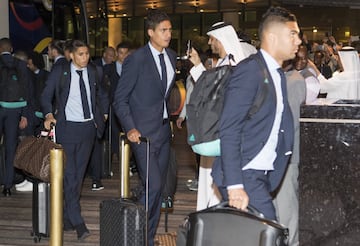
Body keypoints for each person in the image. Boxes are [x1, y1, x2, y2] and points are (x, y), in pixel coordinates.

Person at [211, 6, 301, 220]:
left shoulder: (277, 74)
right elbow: (230, 128)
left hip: (260, 175)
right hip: (244, 173)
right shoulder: (250, 71)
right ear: (272, 37)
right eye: (293, 34)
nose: (298, 41)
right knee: (268, 234)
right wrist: (235, 185)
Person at [113, 10, 177, 246]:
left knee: (156, 191)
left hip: (163, 131)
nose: (169, 34)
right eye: (164, 30)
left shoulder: (171, 56)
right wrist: (130, 128)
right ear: (150, 32)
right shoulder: (136, 59)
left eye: (170, 30)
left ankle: (146, 237)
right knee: (154, 185)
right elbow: (120, 99)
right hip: (142, 135)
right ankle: (137, 237)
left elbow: (164, 94)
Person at [182, 22, 257, 211]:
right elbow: (211, 91)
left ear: (221, 39)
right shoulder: (224, 62)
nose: (209, 42)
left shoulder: (235, 64)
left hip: (224, 131)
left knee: (223, 178)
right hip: (214, 130)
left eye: (212, 39)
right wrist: (198, 65)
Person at [41, 39, 109, 240]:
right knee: (70, 175)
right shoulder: (60, 72)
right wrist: (48, 115)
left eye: (87, 54)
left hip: (88, 128)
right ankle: (78, 221)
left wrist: (103, 114)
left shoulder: (93, 71)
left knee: (77, 177)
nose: (85, 57)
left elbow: (103, 94)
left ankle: (65, 217)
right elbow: (45, 96)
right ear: (71, 55)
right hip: (67, 129)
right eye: (81, 54)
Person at [273, 60, 306, 246]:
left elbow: (289, 122)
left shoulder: (294, 80)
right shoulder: (281, 77)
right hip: (278, 155)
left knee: (286, 209)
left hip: (287, 155)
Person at [0, 38, 33, 196]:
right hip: (15, 111)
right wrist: (25, 115)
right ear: (11, 49)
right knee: (11, 148)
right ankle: (7, 186)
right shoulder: (20, 64)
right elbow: (27, 91)